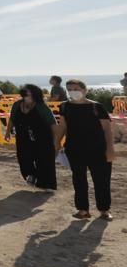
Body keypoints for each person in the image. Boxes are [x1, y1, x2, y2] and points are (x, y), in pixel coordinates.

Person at [55, 80, 115, 220]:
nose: (72, 92)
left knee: (101, 180)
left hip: (98, 150)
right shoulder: (64, 107)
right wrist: (56, 143)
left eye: (76, 88)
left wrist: (110, 149)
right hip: (74, 149)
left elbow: (107, 129)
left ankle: (104, 210)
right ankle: (82, 210)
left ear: (84, 90)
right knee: (79, 180)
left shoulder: (96, 107)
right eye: (69, 89)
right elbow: (62, 126)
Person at [6, 84, 57, 193]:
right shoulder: (17, 105)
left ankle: (47, 184)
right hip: (23, 137)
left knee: (44, 160)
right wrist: (7, 133)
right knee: (23, 157)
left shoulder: (41, 107)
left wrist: (56, 140)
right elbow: (12, 119)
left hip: (43, 137)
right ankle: (32, 175)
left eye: (27, 93)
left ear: (35, 94)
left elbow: (53, 124)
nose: (25, 95)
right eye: (24, 93)